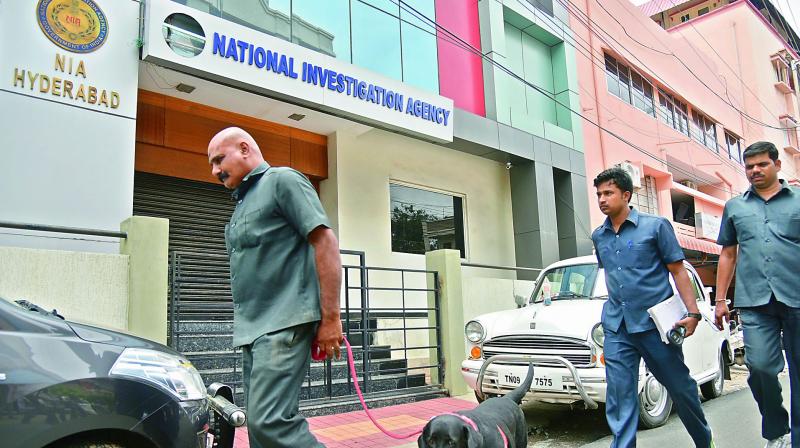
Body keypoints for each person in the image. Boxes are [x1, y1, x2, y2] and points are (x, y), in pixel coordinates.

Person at [207, 127, 343, 448]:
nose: (214, 171)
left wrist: (330, 318)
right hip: (253, 329)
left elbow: (325, 242)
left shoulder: (283, 180)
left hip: (285, 321)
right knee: (258, 426)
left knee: (271, 422)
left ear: (244, 149)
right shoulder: (242, 203)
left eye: (218, 160)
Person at [591, 167, 713, 448]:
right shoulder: (600, 236)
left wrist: (692, 313)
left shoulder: (656, 226)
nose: (602, 199)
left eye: (608, 193)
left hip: (656, 326)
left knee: (680, 388)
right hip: (617, 326)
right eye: (599, 194)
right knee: (620, 396)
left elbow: (678, 271)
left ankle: (704, 441)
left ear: (626, 194)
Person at [715, 141, 800, 448]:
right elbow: (728, 254)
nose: (754, 171)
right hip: (755, 301)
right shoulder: (735, 207)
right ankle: (778, 429)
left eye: (761, 164)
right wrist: (720, 299)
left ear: (777, 165)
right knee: (761, 366)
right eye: (749, 166)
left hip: (797, 297)